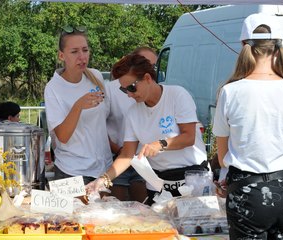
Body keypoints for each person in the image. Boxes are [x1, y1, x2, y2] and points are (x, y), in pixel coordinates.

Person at [88, 53, 208, 205]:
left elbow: (188, 137)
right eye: (125, 90)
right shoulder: (133, 112)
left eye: (132, 87)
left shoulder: (177, 95)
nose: (130, 95)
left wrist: (160, 144)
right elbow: (127, 154)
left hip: (192, 180)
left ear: (147, 78)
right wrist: (103, 180)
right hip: (158, 184)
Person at [212, 13, 283, 239]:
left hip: (248, 192)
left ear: (244, 45)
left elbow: (224, 155)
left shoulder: (230, 92)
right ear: (278, 46)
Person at [44, 26, 112, 186]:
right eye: (74, 52)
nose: (82, 57)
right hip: (71, 172)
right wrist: (78, 106)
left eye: (85, 50)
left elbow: (105, 120)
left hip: (103, 169)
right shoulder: (53, 88)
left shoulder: (95, 76)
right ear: (62, 55)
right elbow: (63, 136)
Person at [105, 46, 158, 202]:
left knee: (144, 207)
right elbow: (100, 126)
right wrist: (118, 149)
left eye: (154, 65)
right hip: (120, 154)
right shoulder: (112, 89)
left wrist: (160, 144)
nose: (129, 94)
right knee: (118, 207)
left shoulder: (159, 90)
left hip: (144, 157)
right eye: (145, 62)